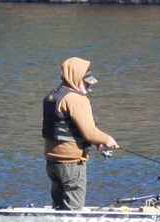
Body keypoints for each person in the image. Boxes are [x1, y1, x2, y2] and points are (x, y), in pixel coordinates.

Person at [42, 57, 119, 210]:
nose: (89, 84)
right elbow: (89, 132)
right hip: (71, 163)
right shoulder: (76, 99)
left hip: (52, 162)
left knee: (58, 207)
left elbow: (71, 128)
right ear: (75, 78)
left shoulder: (53, 96)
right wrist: (107, 139)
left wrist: (98, 142)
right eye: (86, 81)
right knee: (73, 208)